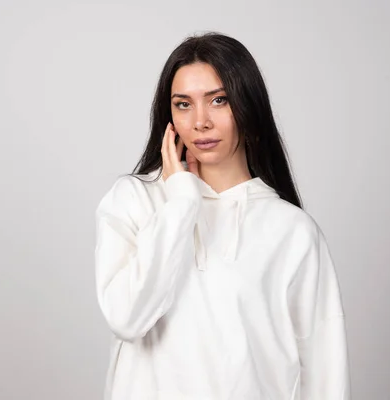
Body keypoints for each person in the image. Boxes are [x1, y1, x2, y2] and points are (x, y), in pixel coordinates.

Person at [94, 32, 350, 400]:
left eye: (218, 100)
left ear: (248, 107)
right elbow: (127, 318)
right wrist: (181, 202)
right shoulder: (134, 200)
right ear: (169, 116)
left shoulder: (293, 231)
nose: (200, 121)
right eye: (183, 104)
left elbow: (325, 371)